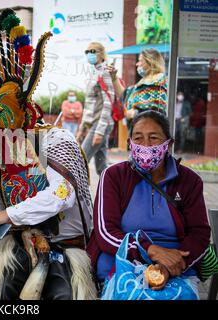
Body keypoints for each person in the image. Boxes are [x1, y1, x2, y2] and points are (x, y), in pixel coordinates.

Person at [0, 9, 97, 300]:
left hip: (66, 246)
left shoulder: (57, 139)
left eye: (2, 115)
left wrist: (8, 215)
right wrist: (9, 226)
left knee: (65, 295)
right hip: (17, 242)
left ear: (23, 109)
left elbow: (63, 194)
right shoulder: (1, 152)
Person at [86, 110, 211, 297]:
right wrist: (150, 251)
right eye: (138, 138)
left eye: (153, 138)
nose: (145, 145)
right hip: (121, 265)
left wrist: (170, 266)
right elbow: (105, 233)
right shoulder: (113, 176)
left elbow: (199, 234)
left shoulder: (189, 181)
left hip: (175, 268)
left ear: (168, 144)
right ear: (129, 143)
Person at [76, 42, 115, 176]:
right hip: (95, 123)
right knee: (102, 167)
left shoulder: (105, 72)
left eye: (92, 51)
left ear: (101, 54)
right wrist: (83, 127)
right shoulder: (95, 72)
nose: (89, 55)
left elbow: (109, 102)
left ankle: (79, 195)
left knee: (80, 160)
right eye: (87, 52)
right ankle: (114, 192)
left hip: (100, 124)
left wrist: (99, 131)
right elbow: (90, 105)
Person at [108, 48, 168, 120]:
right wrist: (114, 78)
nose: (137, 64)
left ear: (150, 62)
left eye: (140, 61)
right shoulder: (142, 83)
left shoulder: (159, 81)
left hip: (150, 128)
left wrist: (136, 113)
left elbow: (156, 109)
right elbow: (124, 96)